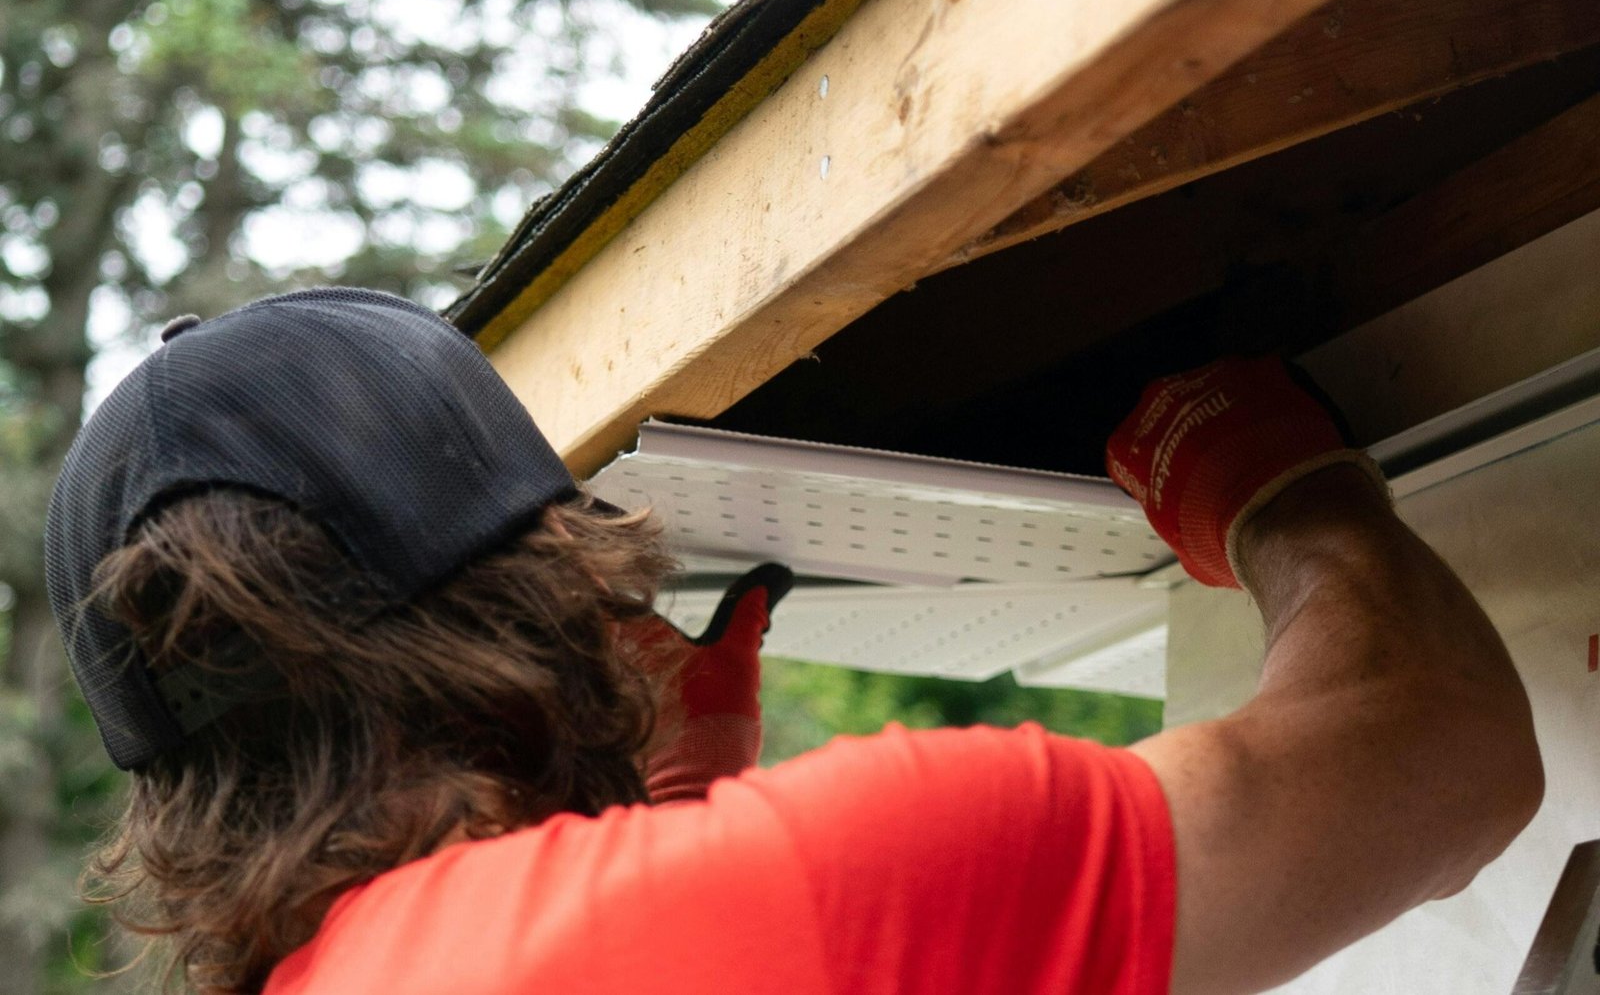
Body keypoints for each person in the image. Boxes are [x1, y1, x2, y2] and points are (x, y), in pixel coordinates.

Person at [45, 288, 1542, 994]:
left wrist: (670, 801)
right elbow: (1440, 752)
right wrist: (1284, 486)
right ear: (543, 586)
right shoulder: (790, 900)